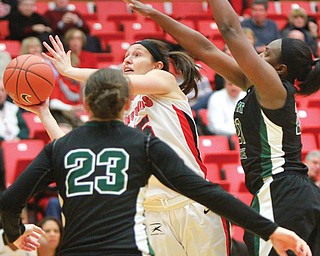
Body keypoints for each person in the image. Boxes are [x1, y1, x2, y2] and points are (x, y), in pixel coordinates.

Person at [0, 68, 312, 256]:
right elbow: (207, 192)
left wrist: (13, 233)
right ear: (126, 102)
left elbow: (10, 201)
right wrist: (271, 231)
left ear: (85, 103)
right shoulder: (143, 145)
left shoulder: (62, 149)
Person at [122, 0, 320, 255]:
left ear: (280, 69)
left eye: (266, 54)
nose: (258, 54)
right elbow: (205, 49)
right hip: (292, 192)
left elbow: (230, 29)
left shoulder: (274, 88)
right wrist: (155, 14)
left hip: (282, 190)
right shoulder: (256, 85)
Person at [42, 34, 240, 256]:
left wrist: (69, 71)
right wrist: (44, 113)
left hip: (193, 201)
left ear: (158, 65)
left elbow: (116, 82)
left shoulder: (165, 81)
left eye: (136, 55)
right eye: (126, 56)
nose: (127, 60)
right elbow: (76, 149)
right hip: (153, 213)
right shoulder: (122, 113)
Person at [0, 80, 29, 191]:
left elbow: (24, 129)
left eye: (2, 90)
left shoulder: (13, 107)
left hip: (16, 144)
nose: (0, 94)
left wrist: (19, 138)